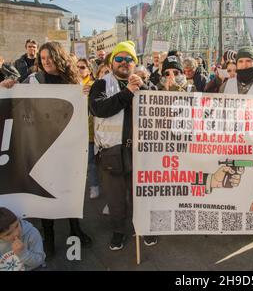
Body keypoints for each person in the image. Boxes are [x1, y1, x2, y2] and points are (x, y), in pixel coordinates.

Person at [20, 42, 92, 258]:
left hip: (68, 146)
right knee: (45, 191)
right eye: (42, 58)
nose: (46, 61)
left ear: (59, 57)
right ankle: (48, 235)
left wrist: (85, 94)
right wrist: (8, 85)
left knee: (71, 188)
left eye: (49, 57)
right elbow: (17, 100)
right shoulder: (33, 80)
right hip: (43, 146)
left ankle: (75, 228)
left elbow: (83, 112)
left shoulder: (73, 81)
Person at [89, 41, 157, 250]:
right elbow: (99, 108)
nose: (124, 63)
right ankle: (119, 231)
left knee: (140, 194)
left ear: (135, 64)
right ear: (112, 62)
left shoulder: (144, 84)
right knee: (116, 197)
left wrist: (143, 87)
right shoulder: (101, 84)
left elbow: (157, 108)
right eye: (119, 58)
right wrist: (127, 92)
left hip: (139, 151)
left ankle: (142, 228)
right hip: (111, 152)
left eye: (129, 59)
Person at [78, 58, 101, 200]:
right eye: (77, 67)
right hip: (76, 132)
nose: (79, 69)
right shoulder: (71, 85)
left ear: (89, 70)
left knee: (90, 162)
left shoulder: (93, 85)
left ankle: (94, 185)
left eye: (82, 67)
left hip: (90, 131)